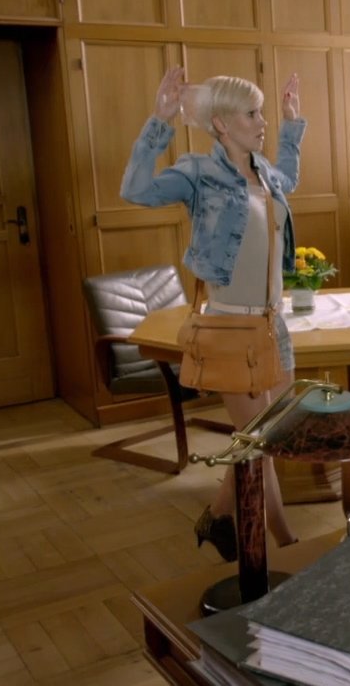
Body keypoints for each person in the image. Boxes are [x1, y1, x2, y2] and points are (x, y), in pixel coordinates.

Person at [121, 66, 305, 560]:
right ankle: (286, 543)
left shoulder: (265, 172)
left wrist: (292, 124)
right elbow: (136, 190)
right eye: (252, 114)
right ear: (221, 124)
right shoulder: (198, 173)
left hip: (273, 324)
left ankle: (218, 517)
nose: (262, 122)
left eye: (262, 112)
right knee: (259, 443)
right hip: (230, 326)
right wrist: (159, 120)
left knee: (265, 438)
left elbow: (289, 178)